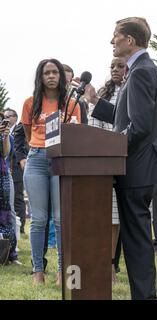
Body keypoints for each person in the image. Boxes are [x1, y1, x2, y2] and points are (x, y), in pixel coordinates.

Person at [84, 17, 157, 300]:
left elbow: (141, 126)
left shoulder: (143, 71)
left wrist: (114, 149)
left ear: (130, 40)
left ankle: (145, 297)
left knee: (136, 240)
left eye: (116, 36)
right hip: (136, 167)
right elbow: (127, 118)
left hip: (137, 168)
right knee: (135, 239)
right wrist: (96, 103)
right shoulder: (138, 70)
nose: (112, 42)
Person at [21, 58, 81, 284]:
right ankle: (38, 271)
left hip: (61, 161)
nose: (52, 76)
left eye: (55, 72)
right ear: (41, 77)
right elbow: (28, 133)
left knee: (60, 218)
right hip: (36, 160)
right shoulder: (30, 102)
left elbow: (79, 134)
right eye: (47, 73)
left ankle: (61, 270)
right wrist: (38, 147)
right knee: (38, 219)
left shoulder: (72, 103)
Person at [87, 56, 126, 283]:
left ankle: (112, 264)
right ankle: (100, 263)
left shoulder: (133, 91)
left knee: (116, 221)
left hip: (128, 159)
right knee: (105, 218)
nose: (115, 69)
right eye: (112, 66)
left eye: (120, 66)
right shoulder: (102, 94)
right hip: (103, 163)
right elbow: (94, 129)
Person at [4, 109, 26, 235]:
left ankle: (19, 228)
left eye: (9, 116)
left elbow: (21, 149)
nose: (6, 119)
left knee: (17, 198)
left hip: (16, 168)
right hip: (7, 169)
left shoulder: (20, 129)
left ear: (15, 117)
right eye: (4, 117)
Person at [0, 113, 18, 264]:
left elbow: (5, 153)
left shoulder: (5, 132)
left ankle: (9, 254)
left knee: (6, 215)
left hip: (2, 175)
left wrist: (5, 136)